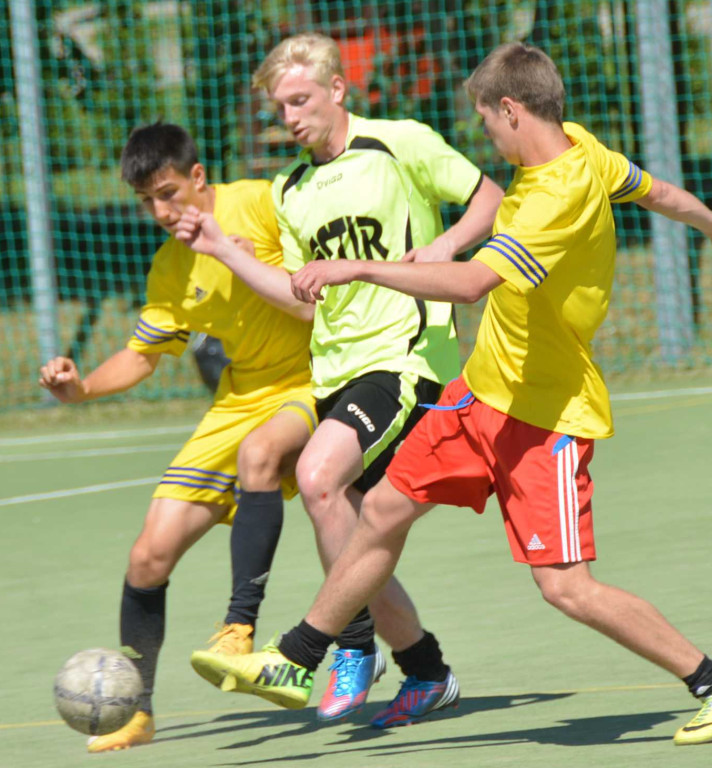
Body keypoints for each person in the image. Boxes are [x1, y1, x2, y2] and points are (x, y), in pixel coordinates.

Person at [196, 43, 712, 746]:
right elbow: (656, 191)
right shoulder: (583, 148)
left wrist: (359, 268)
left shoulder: (554, 197)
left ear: (512, 109)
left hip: (544, 415)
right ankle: (296, 658)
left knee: (566, 588)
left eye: (486, 122)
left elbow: (471, 283)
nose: (484, 136)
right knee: (379, 509)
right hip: (480, 396)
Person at [175, 33, 504, 726]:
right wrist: (221, 252)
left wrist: (447, 244)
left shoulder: (398, 143)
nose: (290, 117)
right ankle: (426, 669)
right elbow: (303, 296)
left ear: (337, 90)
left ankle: (344, 646)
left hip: (408, 355)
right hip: (338, 370)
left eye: (300, 100)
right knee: (354, 529)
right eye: (280, 107)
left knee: (318, 473)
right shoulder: (290, 188)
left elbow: (489, 196)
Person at [38, 122, 317, 752]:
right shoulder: (169, 267)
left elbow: (315, 290)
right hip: (241, 397)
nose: (161, 212)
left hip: (317, 378)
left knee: (281, 471)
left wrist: (235, 254)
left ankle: (240, 631)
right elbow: (141, 357)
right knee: (148, 555)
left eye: (168, 193)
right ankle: (137, 710)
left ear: (198, 177)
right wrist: (79, 389)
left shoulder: (265, 204)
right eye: (147, 201)